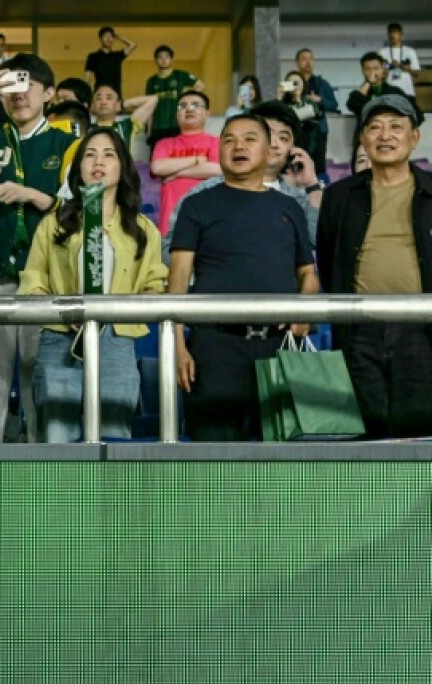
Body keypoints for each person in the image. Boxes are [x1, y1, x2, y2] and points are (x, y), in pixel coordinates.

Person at [0, 54, 79, 444]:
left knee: (44, 382)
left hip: (46, 281)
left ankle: (49, 472)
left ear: (49, 93)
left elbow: (78, 207)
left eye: (28, 85)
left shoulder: (68, 144)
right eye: (9, 87)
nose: (18, 95)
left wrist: (37, 197)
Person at [168, 114, 318, 442]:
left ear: (268, 151)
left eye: (250, 139)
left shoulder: (290, 207)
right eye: (229, 139)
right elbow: (177, 281)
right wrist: (177, 347)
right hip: (214, 348)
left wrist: (305, 310)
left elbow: (307, 272)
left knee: (282, 461)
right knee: (214, 459)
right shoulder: (197, 205)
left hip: (278, 348)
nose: (239, 146)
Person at [21, 126, 167, 442]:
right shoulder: (54, 223)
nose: (98, 162)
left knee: (114, 437)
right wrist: (60, 313)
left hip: (116, 339)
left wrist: (136, 303)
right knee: (58, 439)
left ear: (122, 167)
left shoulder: (143, 229)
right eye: (89, 155)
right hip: (60, 339)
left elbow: (155, 282)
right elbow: (33, 280)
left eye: (108, 154)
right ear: (78, 169)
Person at [317, 95, 432, 438]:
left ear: (414, 138)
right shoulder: (339, 196)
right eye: (375, 127)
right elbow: (328, 257)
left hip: (421, 330)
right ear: (363, 139)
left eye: (396, 127)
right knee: (368, 431)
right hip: (359, 331)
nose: (385, 135)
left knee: (420, 429)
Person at [162, 100, 323, 264]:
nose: (274, 144)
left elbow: (315, 243)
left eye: (283, 138)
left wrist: (312, 184)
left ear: (292, 149)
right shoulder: (202, 194)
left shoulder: (295, 200)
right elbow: (169, 251)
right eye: (267, 134)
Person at [149, 89, 221, 236]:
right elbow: (157, 167)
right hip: (170, 222)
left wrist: (176, 172)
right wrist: (196, 160)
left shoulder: (216, 142)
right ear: (176, 115)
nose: (189, 109)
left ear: (207, 113)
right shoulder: (165, 144)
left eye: (195, 105)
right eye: (182, 106)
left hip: (208, 219)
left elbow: (217, 169)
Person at [144, 45, 205, 149]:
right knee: (157, 160)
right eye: (160, 57)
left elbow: (201, 85)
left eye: (167, 57)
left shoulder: (180, 75)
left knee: (178, 156)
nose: (163, 60)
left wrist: (187, 95)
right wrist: (149, 131)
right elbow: (149, 108)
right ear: (155, 60)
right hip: (157, 127)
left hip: (177, 124)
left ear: (171, 59)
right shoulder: (151, 81)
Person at [294, 49, 339, 175]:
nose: (308, 62)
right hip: (298, 130)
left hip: (318, 130)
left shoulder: (322, 83)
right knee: (297, 163)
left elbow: (334, 104)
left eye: (310, 59)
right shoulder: (291, 83)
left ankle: (320, 192)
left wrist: (319, 100)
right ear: (297, 63)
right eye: (304, 59)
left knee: (318, 164)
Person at [347, 52, 420, 120]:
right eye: (368, 69)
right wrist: (368, 82)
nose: (373, 72)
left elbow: (417, 115)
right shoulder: (359, 94)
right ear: (362, 71)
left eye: (376, 68)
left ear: (382, 69)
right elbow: (352, 105)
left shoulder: (394, 91)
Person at [89, 84, 158, 149]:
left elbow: (153, 99)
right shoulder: (86, 128)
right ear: (93, 105)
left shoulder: (126, 126)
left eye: (109, 98)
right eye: (98, 98)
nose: (103, 102)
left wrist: (122, 104)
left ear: (117, 103)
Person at [278, 71, 323, 169]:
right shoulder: (282, 105)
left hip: (309, 145)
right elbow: (279, 118)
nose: (295, 85)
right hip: (289, 147)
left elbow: (310, 113)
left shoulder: (309, 102)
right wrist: (279, 98)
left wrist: (298, 98)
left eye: (297, 82)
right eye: (291, 83)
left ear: (303, 84)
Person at [83, 27, 136, 95]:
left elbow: (133, 45)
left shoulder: (117, 55)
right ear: (100, 39)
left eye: (111, 36)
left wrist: (118, 37)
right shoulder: (93, 56)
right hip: (100, 93)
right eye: (105, 36)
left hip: (116, 94)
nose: (108, 39)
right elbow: (87, 78)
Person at [381, 23, 420, 97]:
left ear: (401, 34)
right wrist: (390, 65)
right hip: (389, 91)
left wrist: (402, 66)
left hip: (407, 91)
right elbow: (381, 69)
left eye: (395, 32)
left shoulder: (410, 51)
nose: (392, 35)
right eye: (390, 32)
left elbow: (416, 73)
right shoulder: (382, 52)